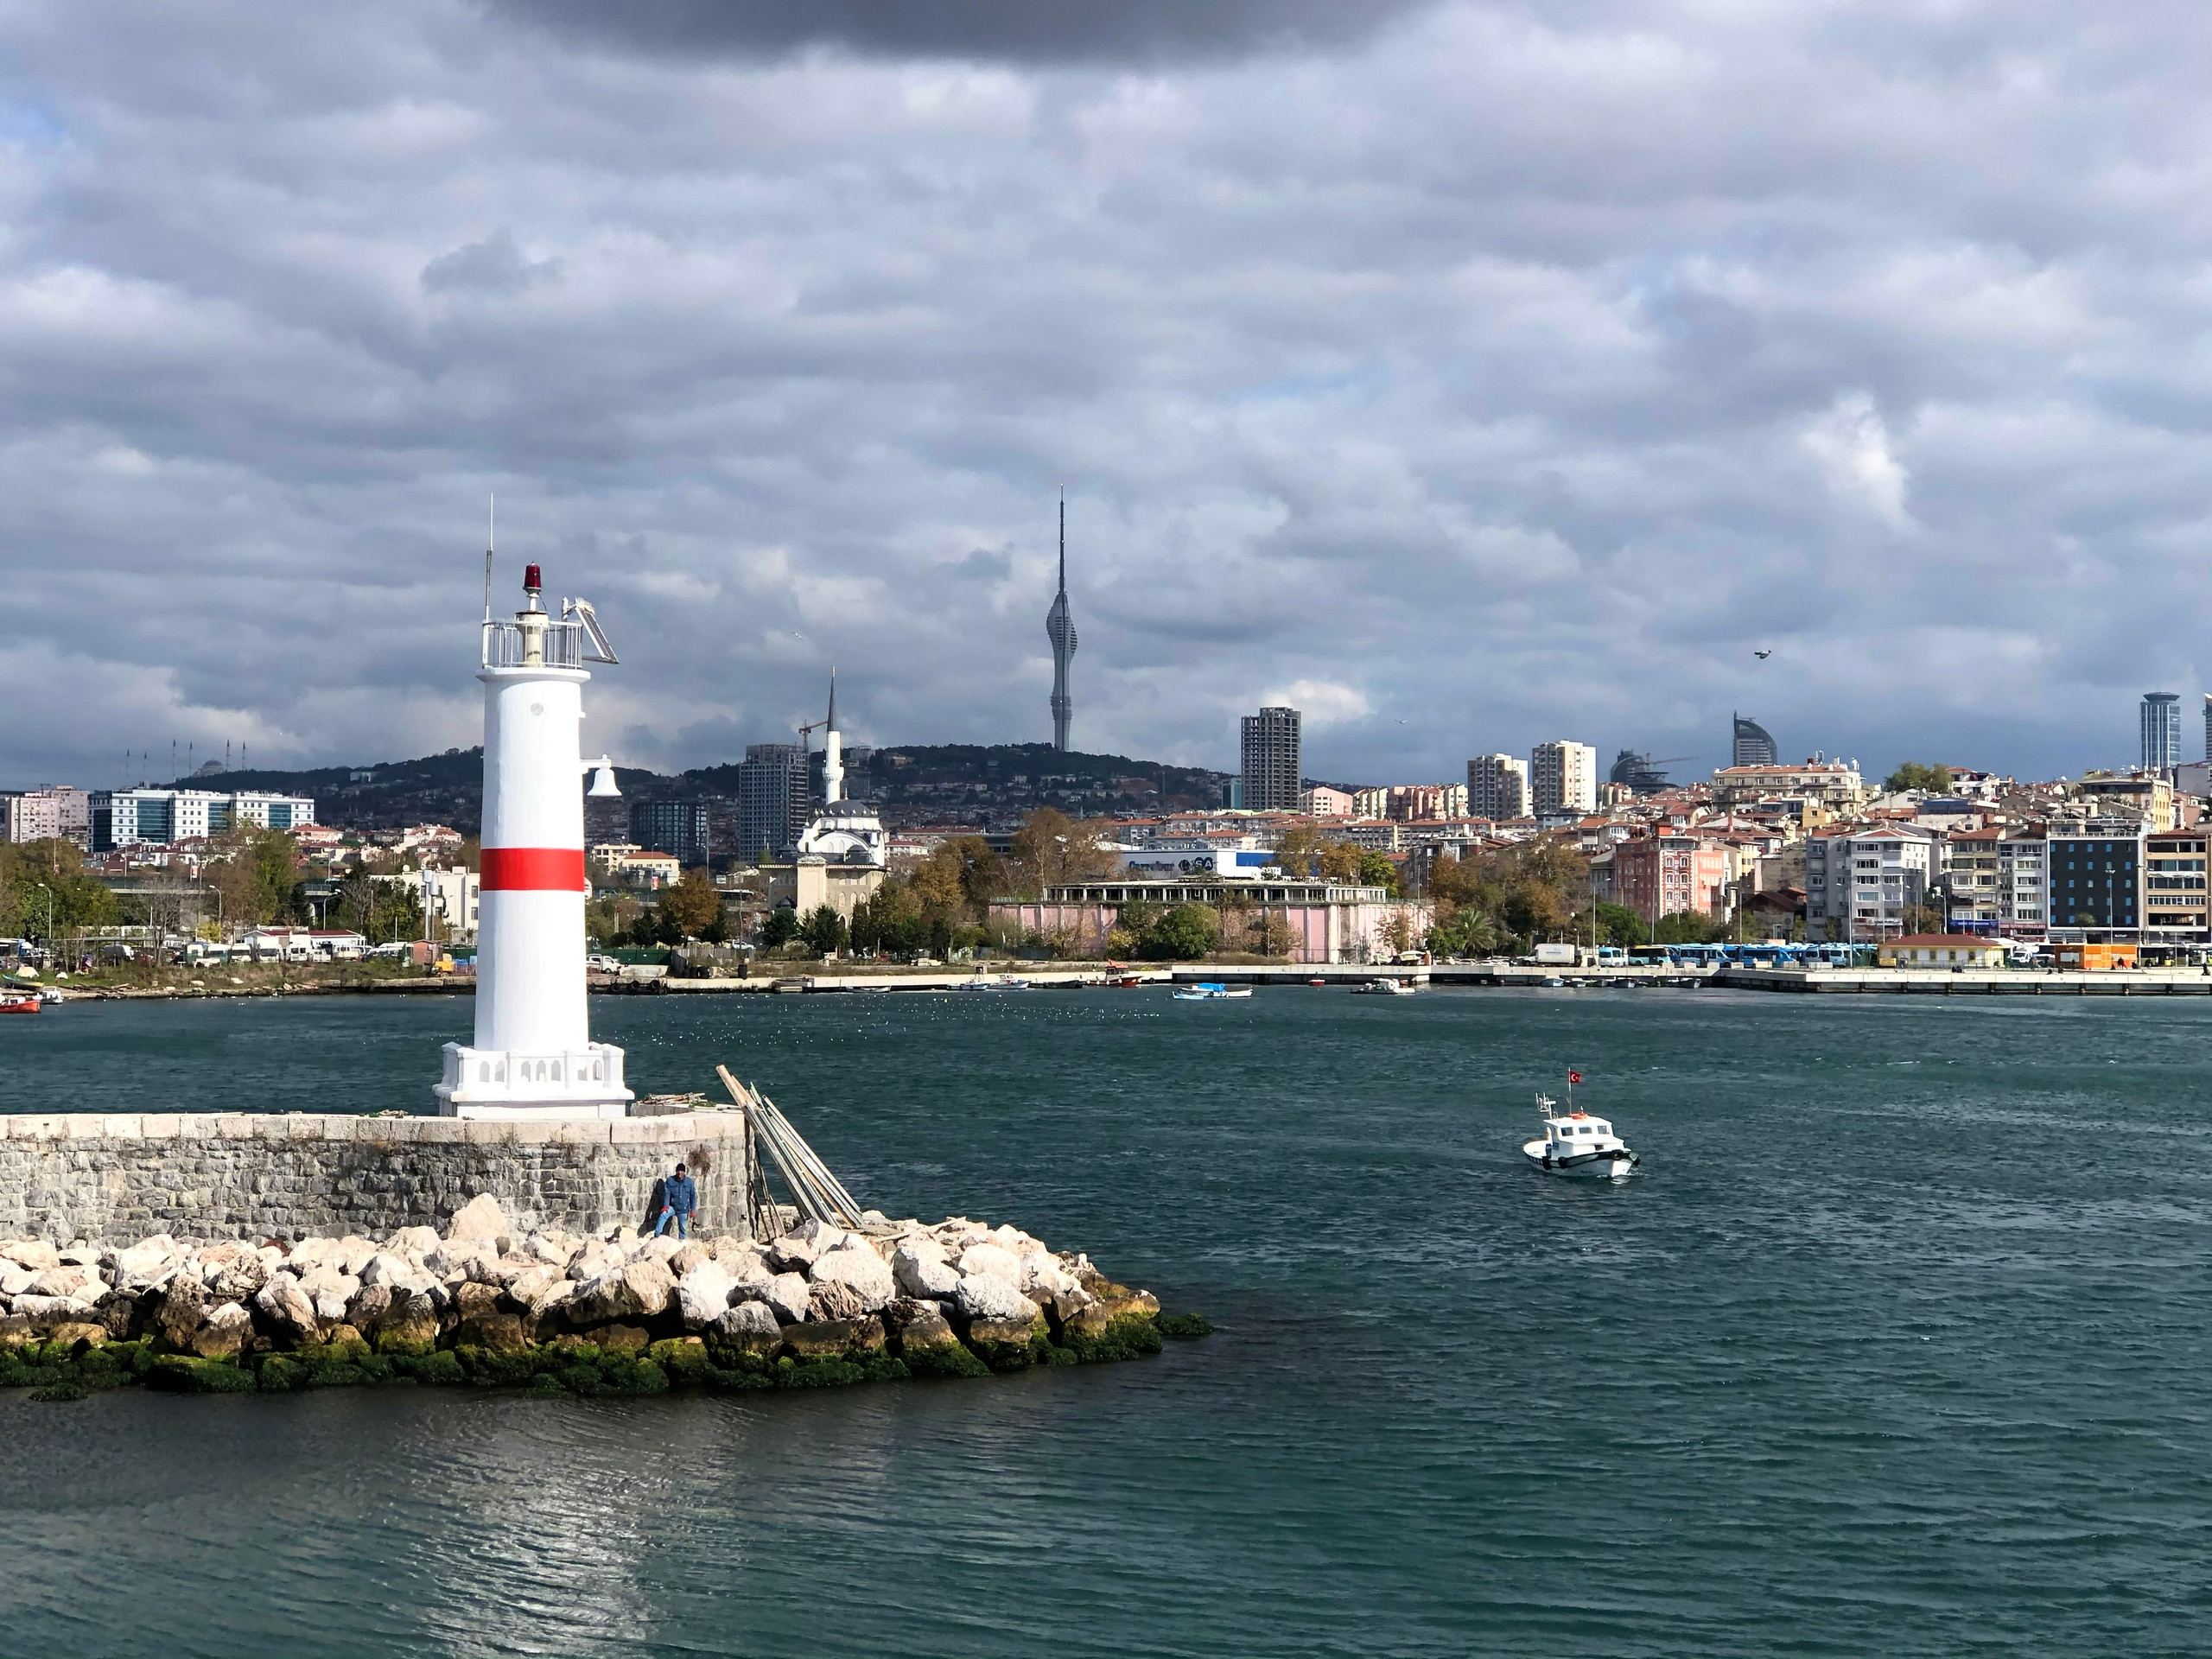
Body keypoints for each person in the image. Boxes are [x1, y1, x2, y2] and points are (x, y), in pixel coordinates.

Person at [652, 1161, 697, 1239]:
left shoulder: (689, 1182)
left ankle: (682, 1242)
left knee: (683, 1229)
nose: (680, 1173)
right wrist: (666, 1206)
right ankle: (657, 1234)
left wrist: (693, 1210)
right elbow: (667, 1194)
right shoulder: (670, 1181)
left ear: (684, 1172)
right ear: (676, 1171)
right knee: (663, 1215)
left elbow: (692, 1196)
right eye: (678, 1171)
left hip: (683, 1209)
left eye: (681, 1171)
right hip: (672, 1207)